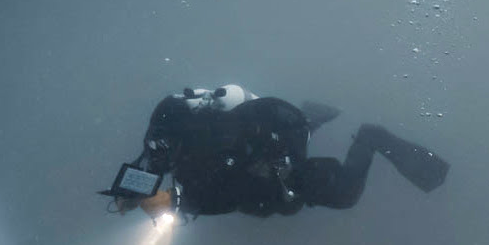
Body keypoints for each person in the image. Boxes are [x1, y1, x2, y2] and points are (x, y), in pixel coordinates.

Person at [109, 83, 450, 219]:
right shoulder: (169, 134)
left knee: (345, 195)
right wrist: (127, 192)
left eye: (164, 146)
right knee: (271, 200)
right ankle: (311, 120)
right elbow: (151, 159)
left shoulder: (217, 137)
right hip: (263, 152)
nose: (160, 153)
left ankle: (370, 137)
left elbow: (230, 183)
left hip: (276, 148)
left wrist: (175, 200)